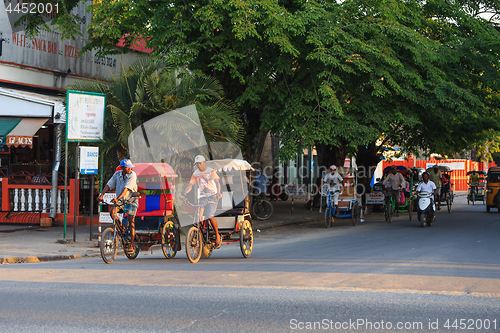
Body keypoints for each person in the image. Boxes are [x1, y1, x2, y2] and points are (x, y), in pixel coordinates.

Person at [180, 155, 223, 248]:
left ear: (204, 162)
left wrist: (218, 193)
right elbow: (190, 185)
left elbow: (217, 182)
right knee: (198, 217)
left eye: (200, 163)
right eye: (197, 164)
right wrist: (184, 194)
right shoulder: (195, 173)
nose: (199, 165)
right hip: (202, 197)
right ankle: (201, 234)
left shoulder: (210, 171)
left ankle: (217, 235)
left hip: (212, 196)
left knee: (209, 216)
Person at [98, 159, 138, 254]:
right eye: (127, 167)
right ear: (122, 167)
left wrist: (118, 198)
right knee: (112, 213)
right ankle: (122, 228)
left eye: (129, 167)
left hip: (131, 200)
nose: (129, 169)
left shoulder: (132, 175)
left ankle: (131, 245)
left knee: (131, 222)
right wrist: (102, 194)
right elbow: (109, 184)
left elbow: (126, 189)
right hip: (120, 201)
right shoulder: (117, 174)